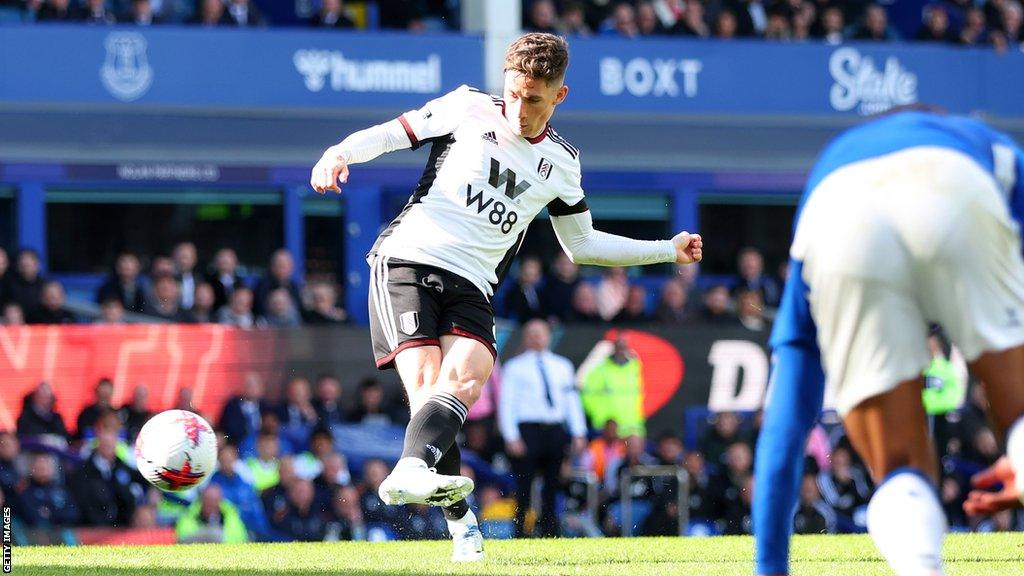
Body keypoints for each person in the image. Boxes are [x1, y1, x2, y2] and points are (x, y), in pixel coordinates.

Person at [309, 32, 703, 562]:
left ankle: (428, 485)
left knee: (463, 382)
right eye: (514, 93)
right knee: (427, 388)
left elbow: (582, 244)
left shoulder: (561, 164)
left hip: (474, 282)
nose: (519, 108)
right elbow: (390, 134)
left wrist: (666, 251)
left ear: (559, 96)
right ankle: (455, 518)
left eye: (534, 99)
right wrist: (339, 154)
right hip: (409, 257)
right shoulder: (468, 108)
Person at [753, 109, 1024, 576]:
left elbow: (788, 419)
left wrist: (770, 565)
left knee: (900, 469)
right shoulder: (986, 141)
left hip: (843, 214)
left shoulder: (830, 174)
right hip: (958, 185)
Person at [499, 319, 588, 537]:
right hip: (528, 430)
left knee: (553, 484)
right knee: (524, 485)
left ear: (548, 336)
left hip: (555, 430)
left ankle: (549, 531)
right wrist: (511, 436)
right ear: (526, 337)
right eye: (532, 333)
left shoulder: (562, 366)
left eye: (541, 333)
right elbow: (507, 403)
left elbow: (571, 401)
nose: (537, 337)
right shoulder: (514, 367)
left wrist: (578, 431)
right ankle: (521, 531)